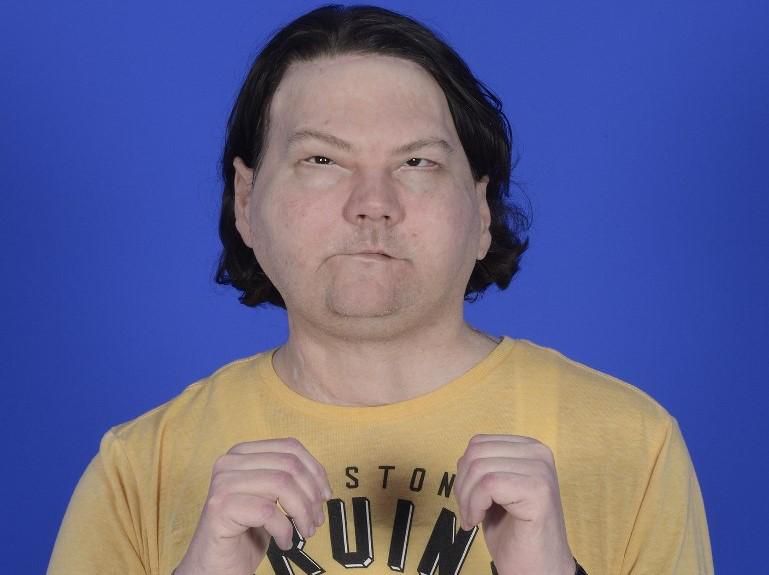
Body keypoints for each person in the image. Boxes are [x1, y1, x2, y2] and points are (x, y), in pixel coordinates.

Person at [48, 5, 713, 575]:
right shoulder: (141, 469)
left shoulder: (630, 444)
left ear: (481, 210)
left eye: (417, 162)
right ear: (246, 200)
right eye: (321, 159)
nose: (373, 202)